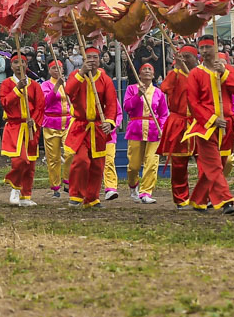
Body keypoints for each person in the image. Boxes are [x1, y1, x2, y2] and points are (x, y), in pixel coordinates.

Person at [183, 35, 234, 213]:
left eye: (207, 47)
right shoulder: (195, 73)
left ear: (216, 48)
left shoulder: (225, 69)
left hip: (226, 125)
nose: (204, 52)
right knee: (214, 165)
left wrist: (225, 73)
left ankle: (198, 200)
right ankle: (226, 201)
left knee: (218, 166)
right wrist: (211, 119)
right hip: (205, 126)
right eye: (201, 48)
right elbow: (193, 102)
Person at [64, 46, 118, 208]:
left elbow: (111, 104)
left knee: (97, 164)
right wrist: (81, 73)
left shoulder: (105, 79)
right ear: (83, 59)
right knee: (81, 161)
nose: (92, 61)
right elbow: (68, 90)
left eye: (95, 57)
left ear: (99, 59)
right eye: (89, 58)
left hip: (98, 127)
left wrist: (109, 121)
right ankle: (75, 195)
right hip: (80, 126)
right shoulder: (76, 75)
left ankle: (92, 198)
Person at [0, 52, 45, 207]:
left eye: (22, 62)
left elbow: (40, 106)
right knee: (20, 160)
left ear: (26, 64)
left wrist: (35, 121)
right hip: (15, 126)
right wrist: (17, 89)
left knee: (30, 164)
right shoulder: (6, 84)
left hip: (31, 127)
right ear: (11, 66)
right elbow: (5, 103)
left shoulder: (35, 85)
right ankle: (15, 187)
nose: (20, 65)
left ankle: (26, 196)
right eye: (16, 63)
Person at [122, 62, 168, 204]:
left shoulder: (159, 92)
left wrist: (162, 127)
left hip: (154, 130)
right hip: (136, 128)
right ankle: (133, 185)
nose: (147, 71)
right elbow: (127, 107)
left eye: (150, 69)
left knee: (152, 162)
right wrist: (138, 96)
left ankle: (146, 192)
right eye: (144, 69)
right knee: (134, 165)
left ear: (153, 75)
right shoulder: (131, 89)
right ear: (139, 74)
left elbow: (164, 113)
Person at [159, 46, 197, 208]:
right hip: (179, 123)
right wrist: (177, 69)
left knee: (206, 162)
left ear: (196, 58)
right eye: (183, 56)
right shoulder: (174, 74)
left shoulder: (201, 74)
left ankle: (205, 196)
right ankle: (181, 198)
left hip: (200, 123)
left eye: (189, 56)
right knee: (179, 164)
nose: (186, 59)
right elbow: (164, 88)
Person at [39, 59, 72, 198]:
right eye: (54, 68)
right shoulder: (45, 85)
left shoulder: (68, 83)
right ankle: (55, 187)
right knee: (53, 158)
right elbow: (46, 102)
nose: (57, 70)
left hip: (68, 121)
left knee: (70, 152)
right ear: (49, 70)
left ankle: (68, 181)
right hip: (51, 123)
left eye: (59, 67)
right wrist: (56, 86)